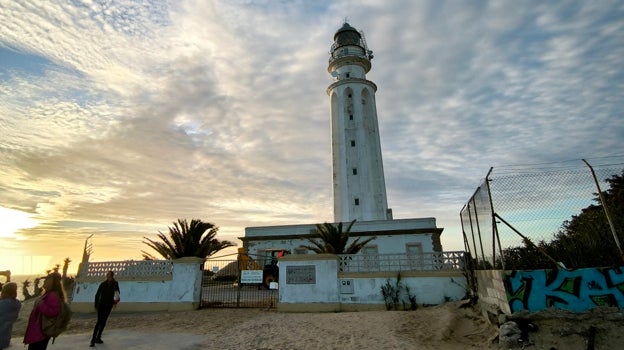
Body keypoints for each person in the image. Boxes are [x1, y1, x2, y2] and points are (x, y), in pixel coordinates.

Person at [23, 272, 64, 350]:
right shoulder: (48, 294)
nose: (44, 282)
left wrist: (41, 305)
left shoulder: (52, 295)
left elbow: (54, 312)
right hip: (39, 331)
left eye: (47, 280)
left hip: (41, 332)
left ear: (52, 282)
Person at [90, 271, 120, 347]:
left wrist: (115, 302)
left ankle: (98, 337)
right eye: (107, 275)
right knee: (99, 322)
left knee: (103, 322)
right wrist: (96, 305)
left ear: (112, 276)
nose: (107, 276)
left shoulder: (115, 284)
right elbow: (97, 294)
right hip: (101, 305)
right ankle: (93, 340)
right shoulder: (103, 284)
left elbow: (117, 293)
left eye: (108, 275)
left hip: (109, 305)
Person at [0, 282, 22, 350]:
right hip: (5, 338)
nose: (1, 294)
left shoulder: (4, 304)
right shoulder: (16, 304)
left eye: (2, 292)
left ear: (6, 294)